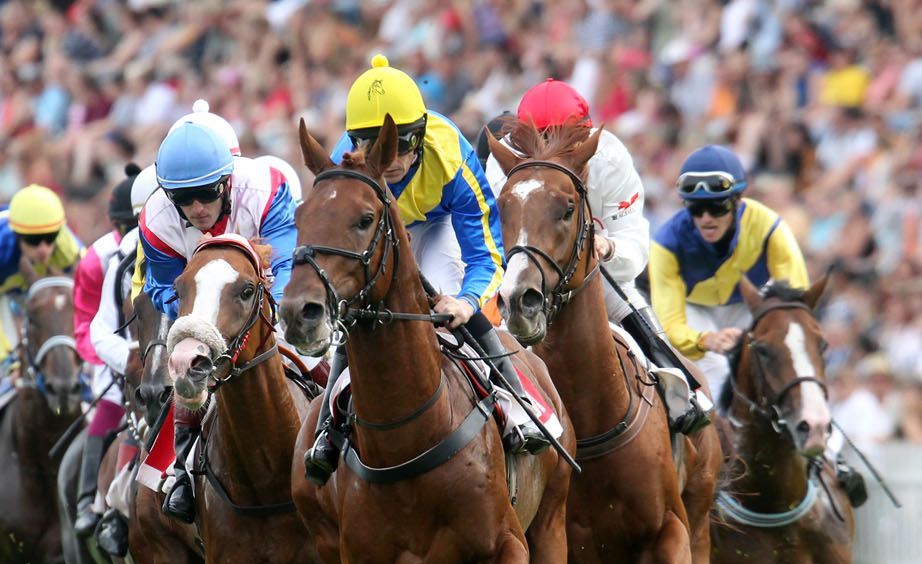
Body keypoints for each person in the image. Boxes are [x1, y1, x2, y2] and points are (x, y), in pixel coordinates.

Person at [305, 55, 543, 485]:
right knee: (358, 314)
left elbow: (487, 254)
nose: (390, 160)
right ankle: (328, 427)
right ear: (357, 144)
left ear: (421, 134)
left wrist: (468, 302)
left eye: (401, 144)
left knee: (447, 307)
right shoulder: (346, 162)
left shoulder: (450, 154)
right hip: (377, 230)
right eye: (376, 147)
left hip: (439, 223)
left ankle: (516, 402)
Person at [485, 78, 711, 434]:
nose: (553, 148)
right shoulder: (504, 160)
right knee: (488, 339)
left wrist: (609, 248)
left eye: (566, 139)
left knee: (637, 315)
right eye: (542, 139)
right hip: (529, 273)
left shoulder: (609, 155)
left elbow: (633, 234)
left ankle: (681, 390)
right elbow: (501, 238)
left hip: (594, 272)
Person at [651, 144, 865, 503]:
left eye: (716, 207)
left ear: (737, 202)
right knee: (717, 370)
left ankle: (832, 457)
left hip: (757, 304)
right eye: (696, 208)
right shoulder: (666, 244)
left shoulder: (769, 228)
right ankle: (712, 463)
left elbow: (795, 300)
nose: (706, 218)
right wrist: (704, 340)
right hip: (696, 312)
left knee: (792, 359)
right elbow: (670, 321)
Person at [136, 122, 298, 522]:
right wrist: (202, 320)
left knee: (314, 339)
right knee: (186, 367)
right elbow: (162, 291)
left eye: (206, 194)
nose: (197, 209)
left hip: (266, 298)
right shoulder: (156, 222)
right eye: (183, 199)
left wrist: (268, 319)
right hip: (206, 313)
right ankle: (181, 468)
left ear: (227, 181)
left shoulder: (265, 189)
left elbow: (288, 265)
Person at [0, 183, 85, 449]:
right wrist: (10, 363)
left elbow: (89, 290)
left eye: (50, 238)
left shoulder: (65, 244)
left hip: (29, 281)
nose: (43, 249)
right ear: (17, 236)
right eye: (33, 241)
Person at [71, 163, 144, 536]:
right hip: (110, 350)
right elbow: (85, 323)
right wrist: (113, 357)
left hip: (152, 346)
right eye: (127, 230)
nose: (133, 236)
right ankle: (88, 500)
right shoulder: (97, 259)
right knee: (110, 406)